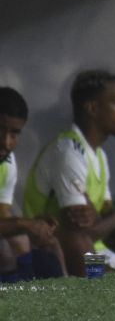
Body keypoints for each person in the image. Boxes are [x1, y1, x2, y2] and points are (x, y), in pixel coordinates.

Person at [22, 71, 115, 277]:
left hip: (95, 252)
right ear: (92, 108)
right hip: (60, 256)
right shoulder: (68, 152)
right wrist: (113, 218)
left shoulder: (98, 154)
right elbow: (79, 233)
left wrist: (114, 216)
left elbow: (106, 215)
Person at [0, 87, 67, 281]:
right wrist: (24, 224)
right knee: (6, 251)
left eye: (14, 133)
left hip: (99, 252)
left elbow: (3, 217)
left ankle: (65, 297)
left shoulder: (7, 163)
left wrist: (34, 225)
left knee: (50, 242)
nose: (6, 142)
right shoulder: (68, 151)